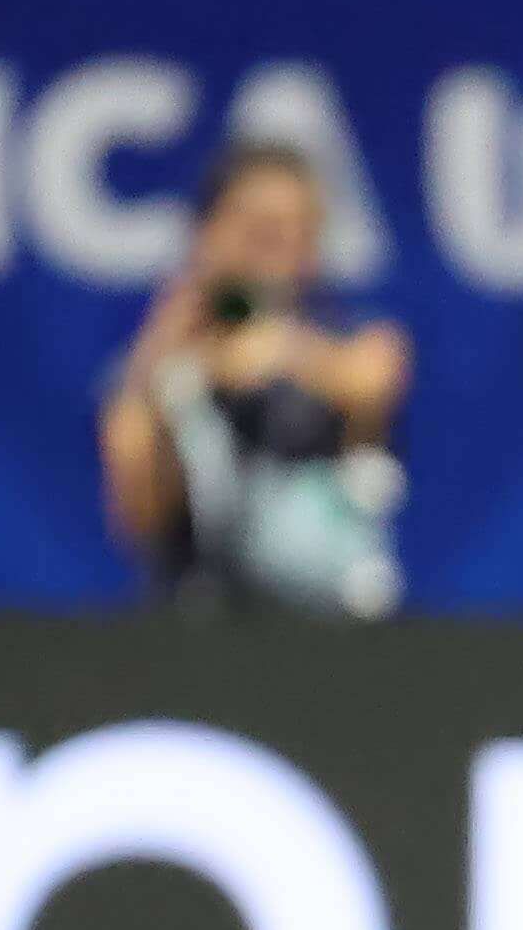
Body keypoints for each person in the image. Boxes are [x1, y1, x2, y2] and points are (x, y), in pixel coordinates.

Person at [98, 143, 412, 616]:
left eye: (298, 231)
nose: (279, 249)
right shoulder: (165, 367)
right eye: (259, 231)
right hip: (200, 627)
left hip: (329, 630)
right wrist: (184, 353)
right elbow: (135, 508)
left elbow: (373, 382)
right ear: (207, 233)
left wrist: (283, 350)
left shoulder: (352, 338)